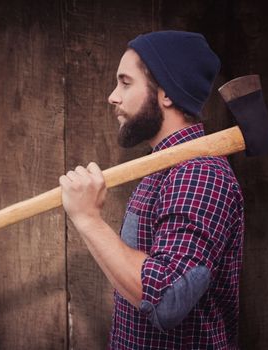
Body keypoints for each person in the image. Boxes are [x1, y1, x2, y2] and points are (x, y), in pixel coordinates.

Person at [59, 31, 244, 349]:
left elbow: (166, 299)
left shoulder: (199, 175)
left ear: (167, 93)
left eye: (126, 82)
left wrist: (89, 219)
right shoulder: (162, 169)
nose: (112, 96)